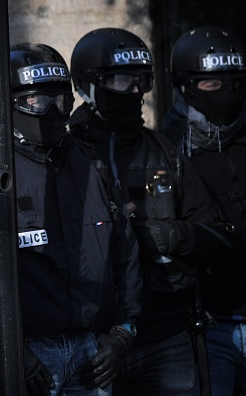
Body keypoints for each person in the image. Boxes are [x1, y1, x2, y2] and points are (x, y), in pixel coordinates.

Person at [0, 42, 142, 396]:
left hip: (92, 351)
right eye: (36, 101)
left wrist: (123, 333)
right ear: (8, 102)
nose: (50, 112)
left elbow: (125, 252)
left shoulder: (90, 164)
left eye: (60, 101)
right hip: (27, 353)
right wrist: (6, 347)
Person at [69, 27, 231, 396]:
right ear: (88, 85)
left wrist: (164, 234)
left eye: (142, 81)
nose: (136, 92)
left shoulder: (164, 150)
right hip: (92, 342)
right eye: (123, 80)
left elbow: (217, 234)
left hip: (166, 334)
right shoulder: (67, 155)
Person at [162, 26, 246, 396]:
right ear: (186, 86)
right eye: (213, 85)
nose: (226, 93)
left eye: (235, 82)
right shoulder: (166, 150)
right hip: (210, 322)